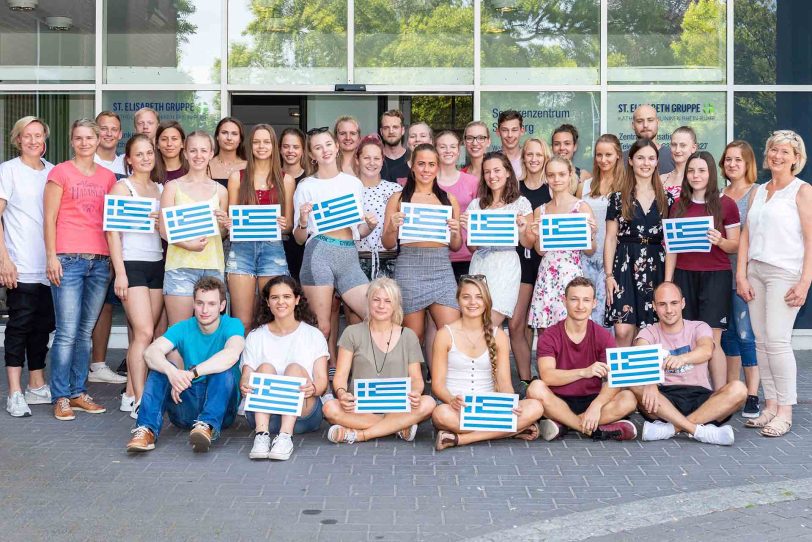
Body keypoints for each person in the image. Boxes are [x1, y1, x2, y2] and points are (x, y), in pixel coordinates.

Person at [737, 130, 810, 438]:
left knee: (778, 342)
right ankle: (770, 405)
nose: (777, 156)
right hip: (756, 272)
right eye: (773, 150)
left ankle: (785, 411)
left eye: (785, 152)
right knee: (762, 343)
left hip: (785, 273)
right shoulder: (758, 191)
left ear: (796, 158)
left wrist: (805, 281)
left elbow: (811, 239)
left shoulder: (802, 190)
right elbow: (746, 236)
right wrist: (741, 274)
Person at [44, 118, 116, 420]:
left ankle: (77, 391)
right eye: (79, 138)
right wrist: (51, 256)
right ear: (72, 141)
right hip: (68, 259)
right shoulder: (59, 173)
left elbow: (114, 222)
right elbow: (49, 218)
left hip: (99, 261)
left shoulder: (109, 177)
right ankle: (59, 395)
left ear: (98, 140)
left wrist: (113, 260)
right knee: (66, 331)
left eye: (90, 137)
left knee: (85, 332)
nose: (85, 143)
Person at [126, 277, 245, 453]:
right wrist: (172, 372)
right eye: (200, 303)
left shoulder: (232, 325)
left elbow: (231, 354)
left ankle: (207, 425)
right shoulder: (183, 327)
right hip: (185, 406)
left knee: (224, 371)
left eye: (211, 304)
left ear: (222, 306)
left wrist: (192, 373)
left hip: (221, 410)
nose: (205, 310)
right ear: (193, 304)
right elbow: (150, 352)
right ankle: (146, 430)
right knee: (160, 370)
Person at [431, 276, 544, 450]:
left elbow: (505, 382)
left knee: (535, 407)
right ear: (458, 301)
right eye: (466, 297)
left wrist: (509, 405)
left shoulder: (498, 335)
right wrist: (451, 400)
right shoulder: (444, 334)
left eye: (478, 297)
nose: (472, 302)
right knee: (440, 415)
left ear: (486, 302)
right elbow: (437, 385)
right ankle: (512, 431)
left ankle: (462, 439)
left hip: (490, 407)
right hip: (458, 408)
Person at [632, 282, 747, 446]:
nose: (669, 310)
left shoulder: (699, 327)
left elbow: (707, 350)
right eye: (662, 304)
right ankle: (700, 432)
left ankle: (672, 429)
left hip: (700, 397)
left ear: (683, 303)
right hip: (664, 399)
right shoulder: (648, 332)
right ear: (654, 306)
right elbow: (639, 356)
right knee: (636, 386)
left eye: (674, 303)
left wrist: (682, 359)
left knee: (739, 389)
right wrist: (650, 382)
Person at [323, 278, 436, 443]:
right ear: (368, 302)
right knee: (329, 408)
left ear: (396, 305)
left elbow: (417, 379)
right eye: (376, 300)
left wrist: (416, 393)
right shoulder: (351, 332)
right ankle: (397, 427)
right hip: (360, 408)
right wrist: (342, 394)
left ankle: (359, 434)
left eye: (388, 301)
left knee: (428, 403)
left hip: (397, 408)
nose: (381, 305)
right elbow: (340, 376)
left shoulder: (408, 336)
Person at [526, 277, 637, 441]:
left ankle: (564, 424)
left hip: (591, 399)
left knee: (629, 399)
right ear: (564, 301)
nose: (580, 306)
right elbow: (547, 376)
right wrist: (584, 372)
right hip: (558, 399)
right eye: (574, 299)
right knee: (535, 388)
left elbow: (615, 379)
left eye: (586, 300)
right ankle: (591, 428)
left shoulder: (603, 336)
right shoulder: (550, 335)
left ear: (594, 303)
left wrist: (596, 405)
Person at [665, 151, 740, 390]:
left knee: (711, 338)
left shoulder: (726, 204)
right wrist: (668, 283)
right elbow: (672, 249)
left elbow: (735, 244)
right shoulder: (678, 205)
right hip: (684, 275)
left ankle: (718, 393)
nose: (696, 175)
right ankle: (692, 389)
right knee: (687, 337)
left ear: (711, 173)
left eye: (701, 170)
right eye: (691, 170)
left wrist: (719, 241)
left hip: (715, 276)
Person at [293, 128, 375, 345]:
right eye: (318, 147)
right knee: (322, 327)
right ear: (311, 155)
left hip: (348, 256)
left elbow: (359, 232)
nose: (325, 150)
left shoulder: (353, 183)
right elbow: (299, 238)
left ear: (337, 147)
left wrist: (371, 226)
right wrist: (302, 219)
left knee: (375, 313)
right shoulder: (305, 186)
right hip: (319, 253)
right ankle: (319, 376)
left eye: (328, 144)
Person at [106, 134, 165, 419]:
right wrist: (119, 273)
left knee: (148, 333)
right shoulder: (122, 187)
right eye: (138, 154)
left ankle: (130, 393)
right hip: (132, 264)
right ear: (128, 159)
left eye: (149, 153)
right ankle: (141, 400)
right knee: (142, 332)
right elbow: (112, 233)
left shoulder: (160, 188)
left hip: (157, 264)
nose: (145, 158)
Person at [0, 117, 55, 417]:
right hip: (19, 265)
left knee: (41, 328)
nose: (33, 141)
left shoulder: (52, 171)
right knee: (19, 328)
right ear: (18, 139)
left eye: (38, 135)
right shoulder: (8, 171)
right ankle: (15, 392)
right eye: (27, 136)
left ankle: (36, 384)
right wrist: (4, 259)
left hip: (47, 265)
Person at [240, 276, 328, 460]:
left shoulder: (313, 335)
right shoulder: (256, 336)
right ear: (267, 302)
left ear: (296, 300)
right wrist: (245, 385)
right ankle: (262, 436)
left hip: (303, 416)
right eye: (275, 297)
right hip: (265, 417)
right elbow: (246, 377)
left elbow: (322, 382)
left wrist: (314, 388)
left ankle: (285, 437)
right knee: (264, 368)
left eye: (287, 296)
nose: (281, 302)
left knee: (294, 369)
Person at [382, 144, 462, 346]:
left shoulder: (448, 199)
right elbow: (388, 243)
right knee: (412, 336)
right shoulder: (398, 198)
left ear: (438, 167)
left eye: (431, 164)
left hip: (441, 269)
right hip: (409, 268)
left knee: (451, 335)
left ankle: (439, 378)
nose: (426, 169)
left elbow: (456, 245)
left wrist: (455, 231)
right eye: (421, 164)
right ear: (412, 166)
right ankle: (415, 378)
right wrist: (392, 227)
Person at [604, 138, 674, 346]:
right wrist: (608, 275)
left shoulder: (667, 199)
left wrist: (668, 281)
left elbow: (671, 244)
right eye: (640, 158)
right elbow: (610, 238)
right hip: (624, 266)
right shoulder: (617, 198)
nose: (646, 163)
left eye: (651, 158)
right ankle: (623, 379)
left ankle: (645, 379)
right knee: (623, 330)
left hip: (656, 267)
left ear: (656, 162)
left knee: (650, 332)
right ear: (631, 161)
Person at [225, 124, 294, 333]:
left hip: (272, 250)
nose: (261, 146)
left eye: (266, 142)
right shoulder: (237, 177)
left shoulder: (286, 180)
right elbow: (231, 219)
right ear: (250, 145)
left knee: (270, 318)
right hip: (241, 249)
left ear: (274, 146)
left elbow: (289, 224)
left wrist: (284, 224)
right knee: (243, 321)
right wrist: (229, 223)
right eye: (256, 142)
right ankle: (242, 365)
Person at [160, 131, 229, 326]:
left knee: (211, 332)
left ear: (211, 153)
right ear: (185, 153)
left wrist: (225, 225)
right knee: (179, 331)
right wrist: (188, 246)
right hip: (180, 266)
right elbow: (164, 230)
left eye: (203, 150)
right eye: (193, 150)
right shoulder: (172, 187)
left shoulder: (221, 191)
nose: (198, 155)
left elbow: (221, 234)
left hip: (213, 267)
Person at [463, 152, 532, 329]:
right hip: (480, 264)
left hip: (506, 265)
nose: (492, 176)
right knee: (478, 320)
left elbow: (528, 243)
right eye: (487, 172)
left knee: (492, 321)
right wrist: (469, 230)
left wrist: (523, 229)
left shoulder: (520, 203)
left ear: (508, 172)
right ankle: (492, 357)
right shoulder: (476, 205)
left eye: (496, 170)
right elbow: (472, 248)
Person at [527, 157, 596, 331]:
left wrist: (590, 234)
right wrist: (537, 235)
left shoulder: (581, 207)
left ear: (570, 175)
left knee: (573, 329)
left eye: (561, 174)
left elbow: (589, 251)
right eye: (551, 175)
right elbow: (540, 251)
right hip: (547, 274)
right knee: (546, 331)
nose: (556, 179)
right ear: (546, 177)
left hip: (571, 274)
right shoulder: (540, 210)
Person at [719, 140, 760, 417]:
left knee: (747, 334)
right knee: (729, 336)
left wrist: (744, 274)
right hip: (722, 272)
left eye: (738, 160)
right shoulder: (720, 194)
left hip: (744, 274)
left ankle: (753, 394)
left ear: (748, 164)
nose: (732, 164)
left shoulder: (756, 193)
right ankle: (733, 390)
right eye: (728, 159)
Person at [509, 138, 551, 391]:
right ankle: (526, 379)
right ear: (523, 158)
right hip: (522, 260)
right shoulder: (515, 190)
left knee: (544, 325)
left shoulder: (553, 187)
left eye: (539, 154)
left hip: (549, 263)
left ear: (545, 157)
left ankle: (547, 379)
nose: (534, 159)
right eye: (529, 154)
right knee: (517, 323)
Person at [577, 134, 624, 326]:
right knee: (584, 313)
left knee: (607, 315)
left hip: (612, 258)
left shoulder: (626, 186)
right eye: (599, 155)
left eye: (608, 155)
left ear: (618, 156)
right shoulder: (584, 186)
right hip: (585, 257)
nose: (603, 160)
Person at [354, 135, 401, 281]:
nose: (372, 163)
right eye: (366, 158)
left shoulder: (395, 190)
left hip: (388, 261)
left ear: (382, 161)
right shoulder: (349, 189)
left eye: (376, 158)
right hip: (355, 260)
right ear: (357, 160)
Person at [436, 130, 479, 279]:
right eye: (442, 147)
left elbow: (479, 218)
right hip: (435, 255)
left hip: (466, 257)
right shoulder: (427, 181)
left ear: (459, 150)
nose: (448, 151)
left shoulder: (472, 182)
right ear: (435, 150)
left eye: (452, 146)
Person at [279, 127, 309, 281]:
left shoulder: (311, 179)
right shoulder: (271, 177)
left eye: (296, 147)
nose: (291, 151)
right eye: (286, 146)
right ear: (279, 149)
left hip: (304, 246)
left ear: (303, 150)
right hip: (277, 246)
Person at [624, 104, 673, 174]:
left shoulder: (673, 156)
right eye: (640, 121)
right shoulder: (621, 160)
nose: (645, 125)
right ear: (633, 125)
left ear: (658, 123)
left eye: (650, 120)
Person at [659, 126, 698, 198]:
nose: (677, 150)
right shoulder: (661, 179)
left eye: (683, 145)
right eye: (674, 145)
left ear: (693, 148)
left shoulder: (699, 178)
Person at [209, 117, 247, 188]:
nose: (229, 138)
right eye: (224, 133)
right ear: (217, 136)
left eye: (234, 134)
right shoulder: (206, 165)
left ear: (240, 139)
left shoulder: (249, 167)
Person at [380, 110, 410, 182]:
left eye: (395, 127)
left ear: (402, 130)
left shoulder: (411, 159)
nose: (391, 131)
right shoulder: (374, 160)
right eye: (386, 127)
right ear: (381, 131)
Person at [94, 111, 125, 177]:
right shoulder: (85, 162)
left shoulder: (127, 164)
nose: (109, 134)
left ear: (120, 134)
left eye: (114, 129)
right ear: (95, 132)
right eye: (104, 129)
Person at [496, 110, 525, 179]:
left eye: (514, 130)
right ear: (498, 132)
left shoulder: (530, 159)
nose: (510, 135)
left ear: (522, 131)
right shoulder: (492, 160)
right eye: (505, 130)